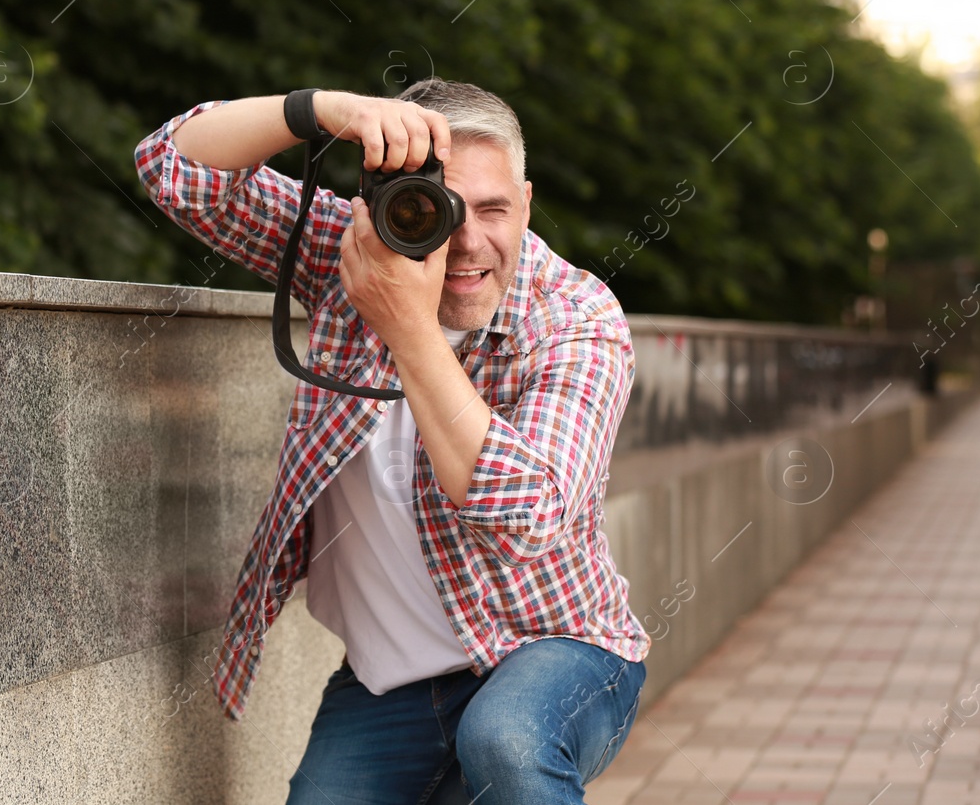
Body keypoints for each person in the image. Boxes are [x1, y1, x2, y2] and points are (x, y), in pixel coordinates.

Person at [133, 80, 651, 804]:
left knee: (505, 740)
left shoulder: (576, 318)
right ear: (382, 207)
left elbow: (527, 515)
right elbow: (172, 168)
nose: (468, 242)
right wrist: (320, 112)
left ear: (527, 203)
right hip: (396, 681)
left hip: (558, 650)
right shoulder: (352, 255)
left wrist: (406, 325)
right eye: (440, 210)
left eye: (496, 210)